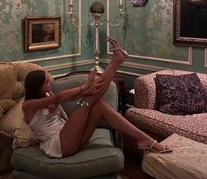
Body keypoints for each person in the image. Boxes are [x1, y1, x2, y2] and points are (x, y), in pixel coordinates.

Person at [23, 37, 172, 158]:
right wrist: (85, 88)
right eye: (45, 83)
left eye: (49, 81)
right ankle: (115, 62)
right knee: (91, 99)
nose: (50, 84)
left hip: (74, 139)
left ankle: (142, 138)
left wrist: (87, 89)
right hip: (59, 145)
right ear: (35, 87)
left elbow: (66, 98)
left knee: (98, 105)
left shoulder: (48, 94)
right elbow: (60, 98)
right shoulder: (29, 106)